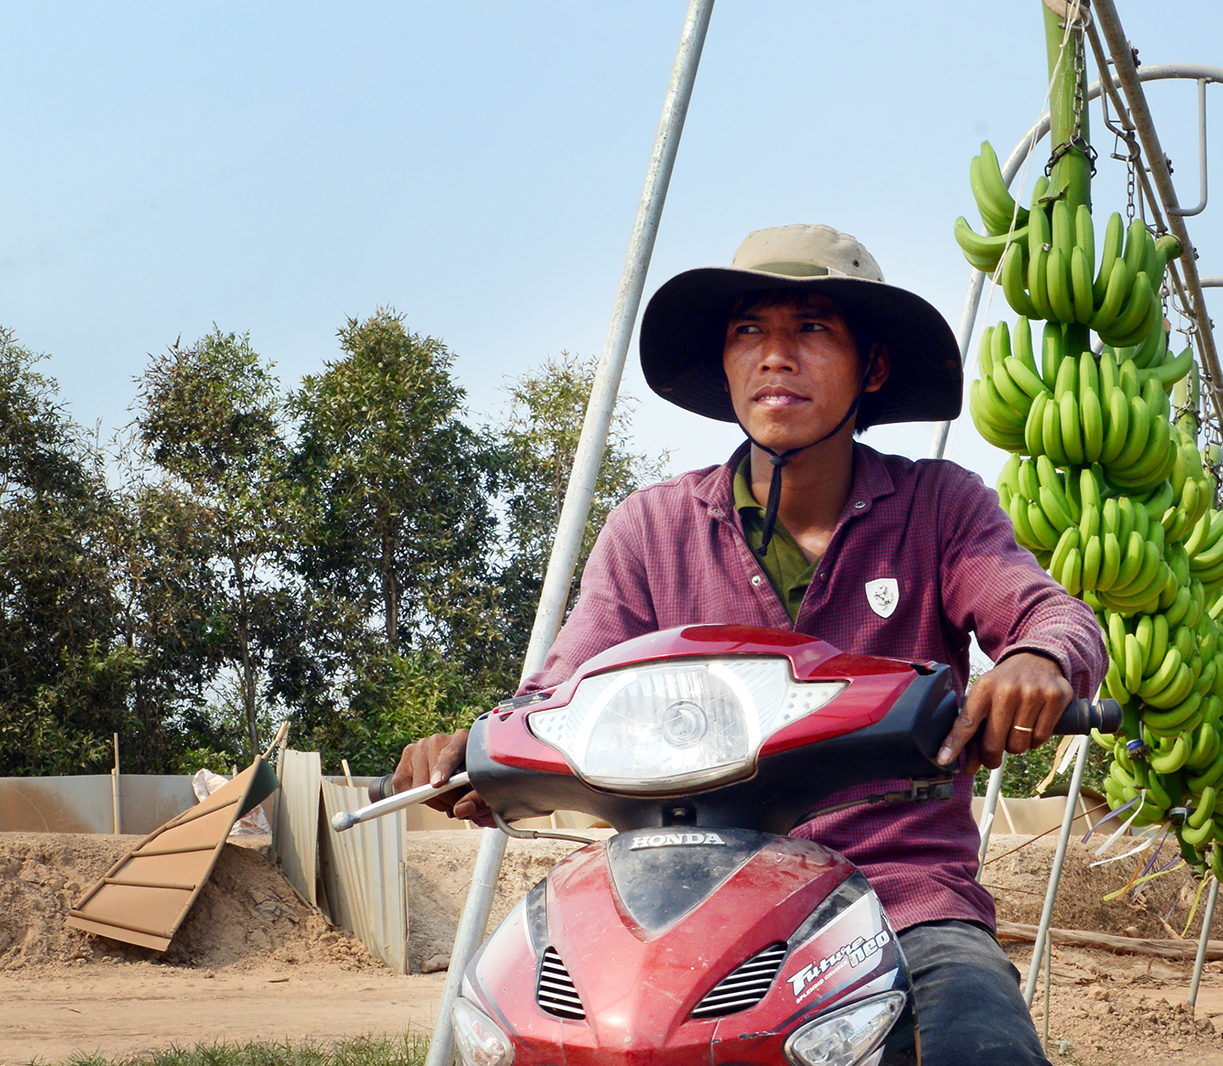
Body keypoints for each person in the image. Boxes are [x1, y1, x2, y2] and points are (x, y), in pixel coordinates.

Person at [393, 224, 1106, 1064]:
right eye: (748, 330)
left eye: (812, 328)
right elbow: (555, 695)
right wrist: (476, 752)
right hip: (678, 900)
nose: (776, 355)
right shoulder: (650, 528)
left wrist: (1036, 661)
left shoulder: (940, 507)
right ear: (726, 362)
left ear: (872, 366)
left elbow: (1049, 615)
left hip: (900, 898)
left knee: (982, 1045)